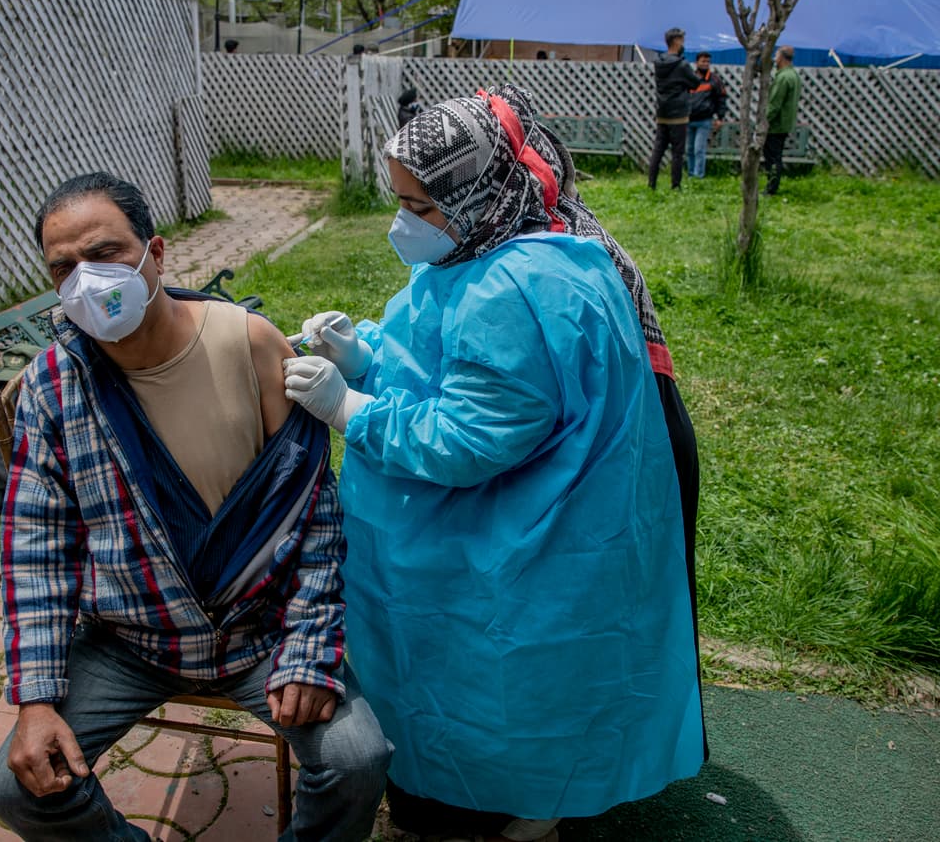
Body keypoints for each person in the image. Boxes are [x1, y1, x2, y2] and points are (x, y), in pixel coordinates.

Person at [282, 85, 705, 841]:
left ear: (474, 192)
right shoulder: (493, 243)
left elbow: (468, 436)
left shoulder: (517, 284)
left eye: (420, 205)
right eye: (402, 200)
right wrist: (366, 353)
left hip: (539, 506)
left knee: (522, 661)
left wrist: (350, 410)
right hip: (566, 490)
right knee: (539, 659)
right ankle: (534, 787)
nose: (403, 222)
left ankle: (540, 799)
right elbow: (438, 357)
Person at [0, 172, 391, 841]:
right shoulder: (54, 388)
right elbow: (35, 552)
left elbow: (315, 519)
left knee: (356, 759)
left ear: (157, 253)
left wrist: (310, 648)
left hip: (258, 635)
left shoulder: (250, 344)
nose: (88, 277)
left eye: (105, 252)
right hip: (129, 640)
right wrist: (34, 697)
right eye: (64, 267)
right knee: (16, 785)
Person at [647, 27, 700, 191]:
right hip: (678, 113)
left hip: (663, 112)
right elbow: (695, 83)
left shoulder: (659, 63)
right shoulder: (682, 65)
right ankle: (675, 185)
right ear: (676, 41)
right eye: (682, 40)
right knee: (678, 152)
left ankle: (652, 183)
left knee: (658, 149)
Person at [765, 45, 802, 195]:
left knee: (773, 158)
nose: (774, 58)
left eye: (776, 55)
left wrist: (764, 122)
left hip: (776, 125)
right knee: (776, 155)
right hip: (785, 123)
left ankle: (772, 187)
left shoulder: (783, 77)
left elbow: (775, 103)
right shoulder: (794, 75)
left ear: (781, 57)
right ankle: (773, 185)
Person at [686, 51, 728, 179]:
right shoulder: (690, 79)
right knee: (690, 149)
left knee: (699, 149)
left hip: (704, 119)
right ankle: (690, 174)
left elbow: (721, 99)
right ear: (697, 62)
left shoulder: (714, 79)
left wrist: (720, 117)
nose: (705, 64)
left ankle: (699, 176)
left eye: (708, 62)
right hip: (689, 118)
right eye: (703, 61)